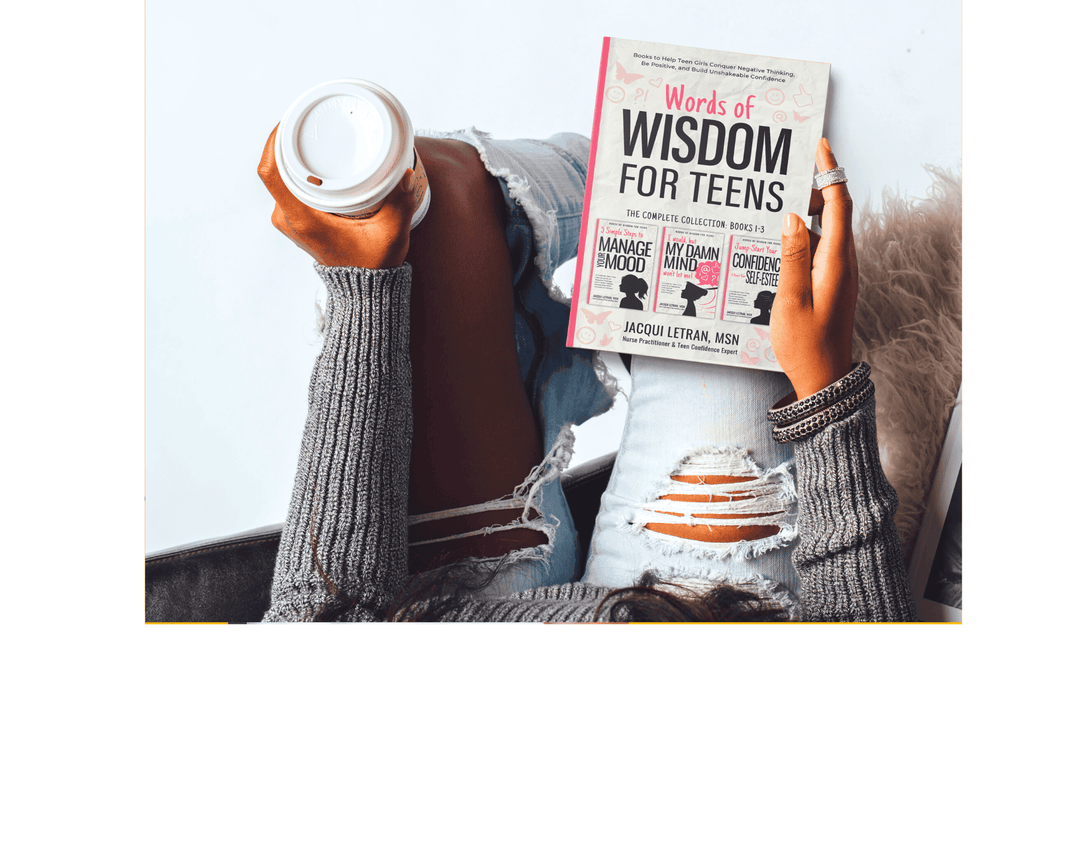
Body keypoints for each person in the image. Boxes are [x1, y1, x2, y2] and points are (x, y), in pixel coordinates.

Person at [257, 125, 916, 622]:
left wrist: (363, 289)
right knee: (743, 218)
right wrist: (825, 392)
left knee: (426, 188)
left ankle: (584, 215)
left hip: (466, 617)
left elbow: (322, 616)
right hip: (705, 609)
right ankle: (590, 273)